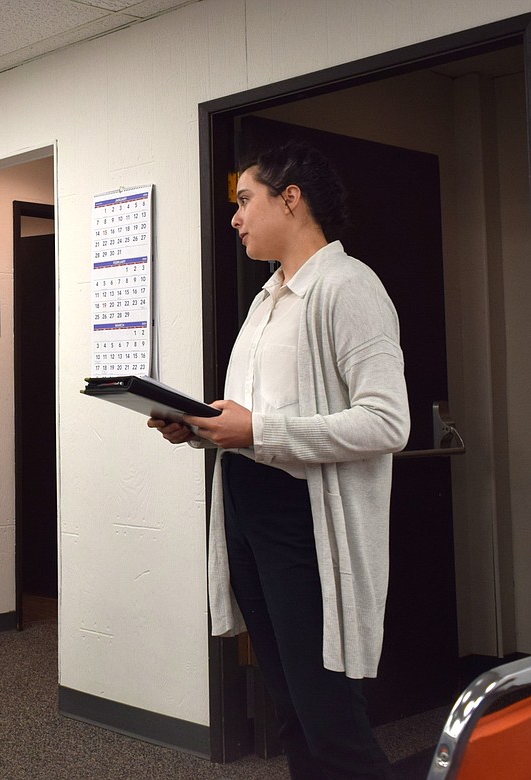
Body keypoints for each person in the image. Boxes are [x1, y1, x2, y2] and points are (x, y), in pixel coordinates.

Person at [148, 141, 409, 779]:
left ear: (290, 199)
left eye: (244, 200)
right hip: (249, 510)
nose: (234, 218)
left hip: (305, 523)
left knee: (330, 717)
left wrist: (254, 428)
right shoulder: (266, 299)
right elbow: (259, 423)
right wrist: (205, 429)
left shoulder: (350, 288)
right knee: (292, 709)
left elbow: (386, 421)